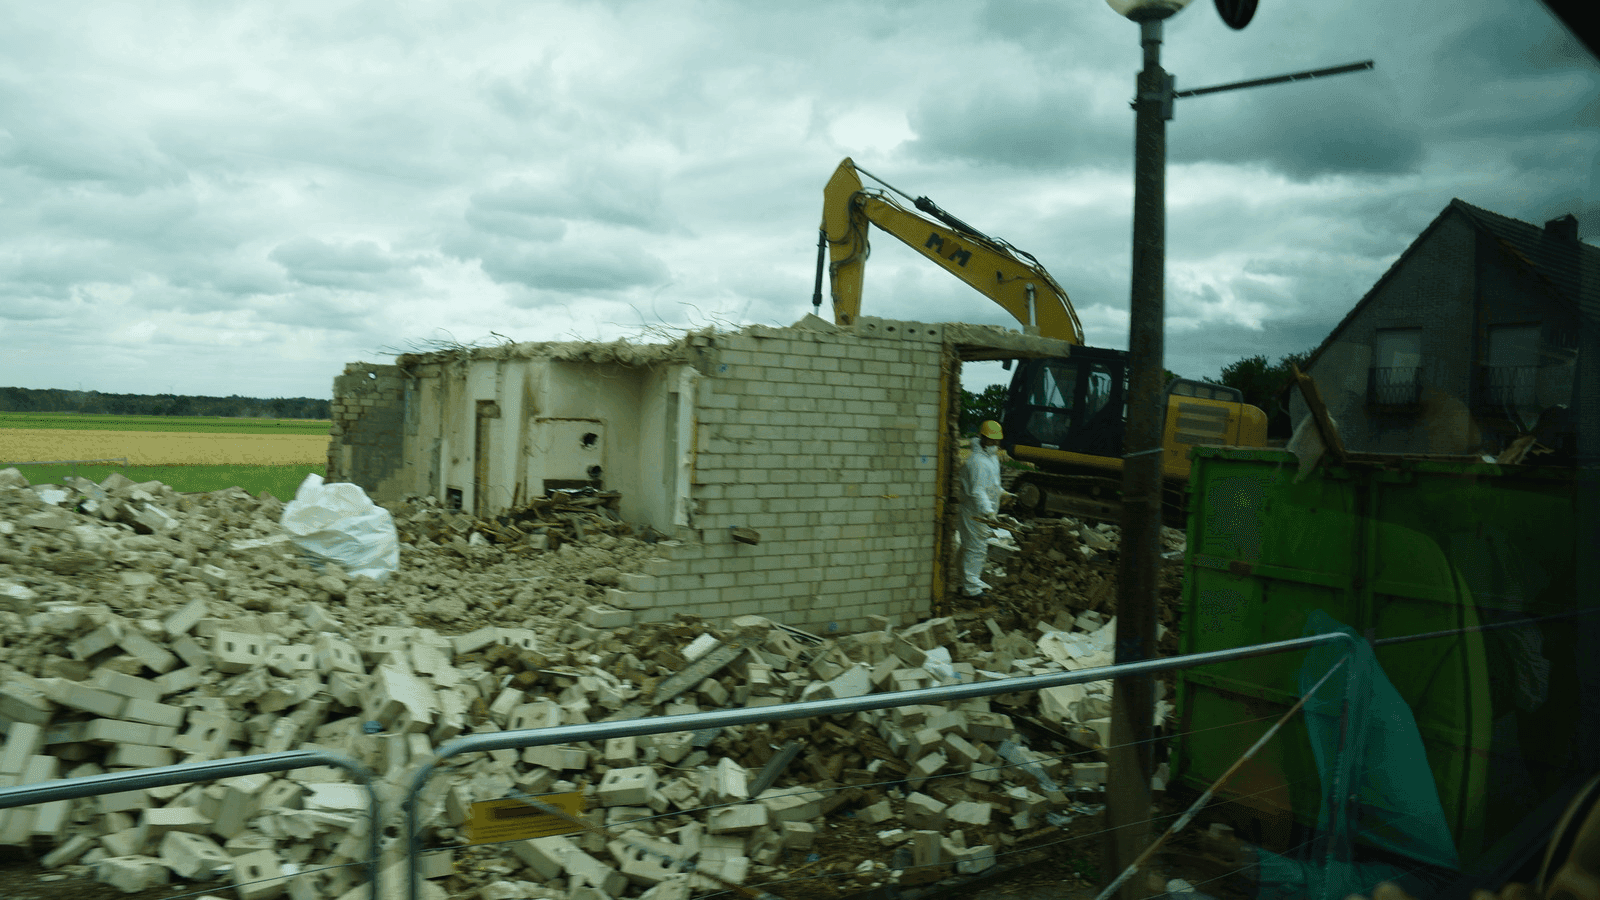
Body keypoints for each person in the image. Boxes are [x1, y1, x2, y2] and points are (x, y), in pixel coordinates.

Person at [958, 420, 1006, 599]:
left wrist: (1004, 493)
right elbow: (978, 491)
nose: (994, 444)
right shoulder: (977, 461)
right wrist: (989, 512)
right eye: (991, 441)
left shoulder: (991, 458)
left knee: (968, 548)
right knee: (976, 549)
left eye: (997, 441)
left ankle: (962, 582)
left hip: (981, 511)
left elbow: (992, 485)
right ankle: (971, 590)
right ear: (983, 438)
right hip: (973, 512)